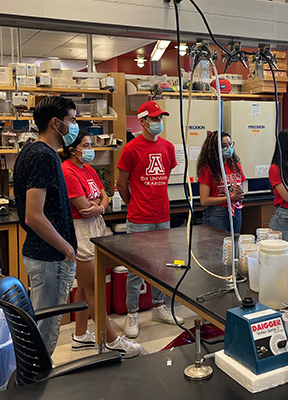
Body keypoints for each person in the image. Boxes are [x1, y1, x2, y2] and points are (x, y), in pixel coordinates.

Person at [62, 132, 142, 357]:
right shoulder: (67, 171)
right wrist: (98, 205)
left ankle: (80, 335)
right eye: (85, 145)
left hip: (95, 224)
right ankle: (111, 340)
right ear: (72, 149)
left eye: (90, 144)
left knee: (85, 286)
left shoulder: (88, 170)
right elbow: (81, 205)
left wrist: (99, 206)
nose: (90, 149)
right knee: (94, 289)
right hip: (81, 231)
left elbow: (104, 196)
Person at [13, 96, 78, 356]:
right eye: (72, 120)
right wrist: (67, 249)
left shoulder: (32, 151)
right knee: (44, 333)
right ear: (56, 123)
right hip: (50, 258)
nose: (74, 126)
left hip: (41, 254)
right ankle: (36, 386)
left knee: (38, 326)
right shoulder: (43, 156)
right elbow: (34, 216)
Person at [115, 100, 184, 339]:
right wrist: (132, 203)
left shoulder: (167, 147)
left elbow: (165, 178)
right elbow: (120, 184)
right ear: (142, 120)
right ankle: (132, 314)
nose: (158, 122)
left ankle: (158, 306)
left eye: (160, 118)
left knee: (161, 265)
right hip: (140, 217)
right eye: (153, 119)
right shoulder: (131, 149)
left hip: (162, 214)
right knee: (137, 268)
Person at [197, 131, 246, 233]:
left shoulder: (235, 166)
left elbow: (241, 188)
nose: (228, 148)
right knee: (217, 245)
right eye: (224, 146)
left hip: (236, 210)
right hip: (217, 213)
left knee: (234, 243)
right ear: (215, 149)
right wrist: (228, 198)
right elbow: (204, 200)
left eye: (230, 144)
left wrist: (240, 192)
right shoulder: (207, 169)